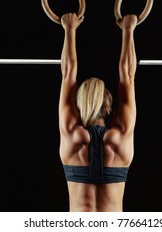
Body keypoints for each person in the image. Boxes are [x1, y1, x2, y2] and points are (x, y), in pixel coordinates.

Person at [59, 13, 137, 212]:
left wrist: (69, 29)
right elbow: (128, 76)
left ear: (80, 104)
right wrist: (128, 30)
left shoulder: (71, 134)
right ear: (109, 105)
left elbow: (68, 73)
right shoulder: (120, 137)